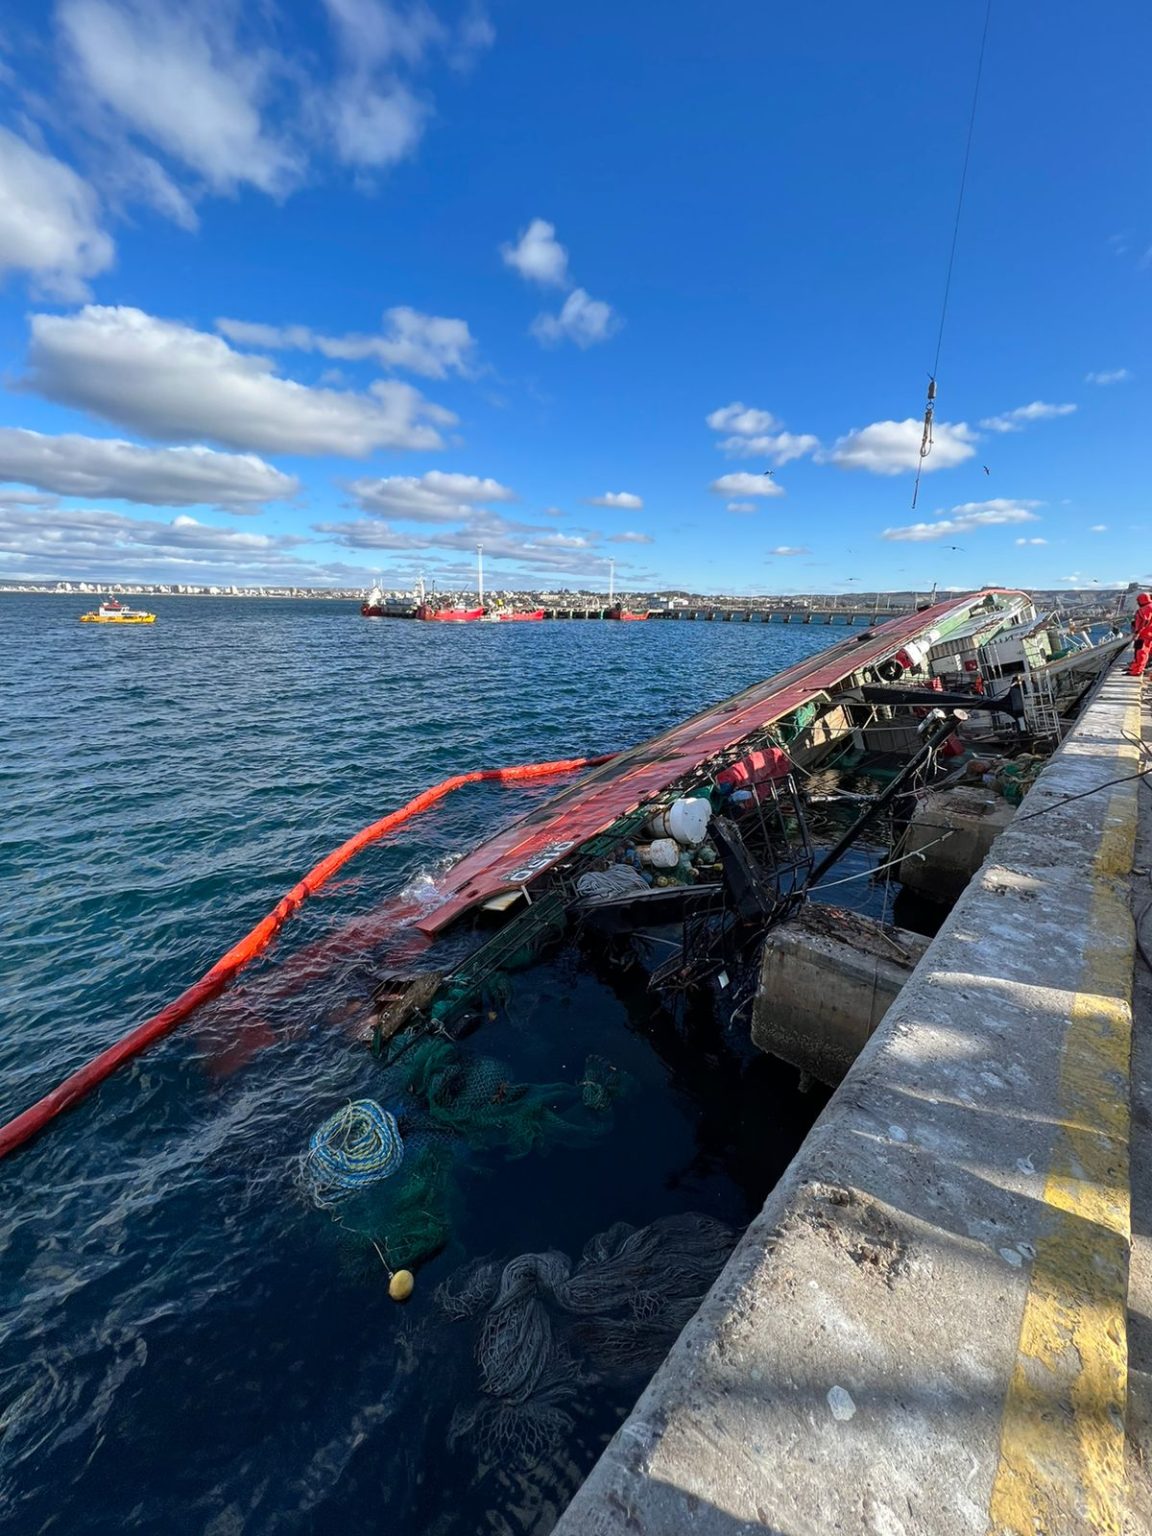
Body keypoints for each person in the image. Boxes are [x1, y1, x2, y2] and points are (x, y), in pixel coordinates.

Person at [1128, 593, 1152, 677]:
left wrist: (1137, 632)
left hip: (1144, 635)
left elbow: (1145, 621)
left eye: (1138, 600)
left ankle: (1136, 671)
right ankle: (1135, 668)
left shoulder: (1146, 608)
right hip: (1147, 634)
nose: (1137, 602)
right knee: (1141, 653)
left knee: (1140, 653)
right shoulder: (1149, 606)